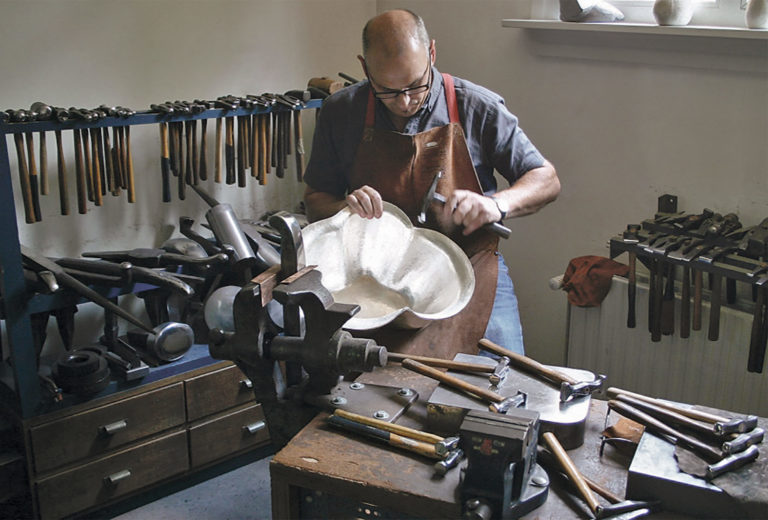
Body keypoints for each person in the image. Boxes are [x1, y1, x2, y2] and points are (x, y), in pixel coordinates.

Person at [302, 9, 560, 356]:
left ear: (432, 54)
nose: (405, 101)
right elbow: (316, 199)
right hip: (379, 283)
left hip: (469, 269)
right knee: (374, 395)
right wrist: (343, 209)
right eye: (389, 91)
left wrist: (497, 204)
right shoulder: (340, 111)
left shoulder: (477, 106)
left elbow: (545, 178)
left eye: (415, 86)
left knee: (503, 382)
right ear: (365, 68)